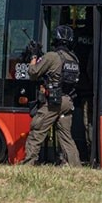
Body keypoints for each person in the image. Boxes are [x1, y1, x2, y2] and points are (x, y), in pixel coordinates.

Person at [21, 24, 81, 167]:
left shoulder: (52, 56)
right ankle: (76, 166)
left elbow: (33, 72)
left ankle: (28, 164)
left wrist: (34, 56)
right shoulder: (73, 59)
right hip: (68, 101)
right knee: (66, 137)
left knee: (37, 131)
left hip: (54, 101)